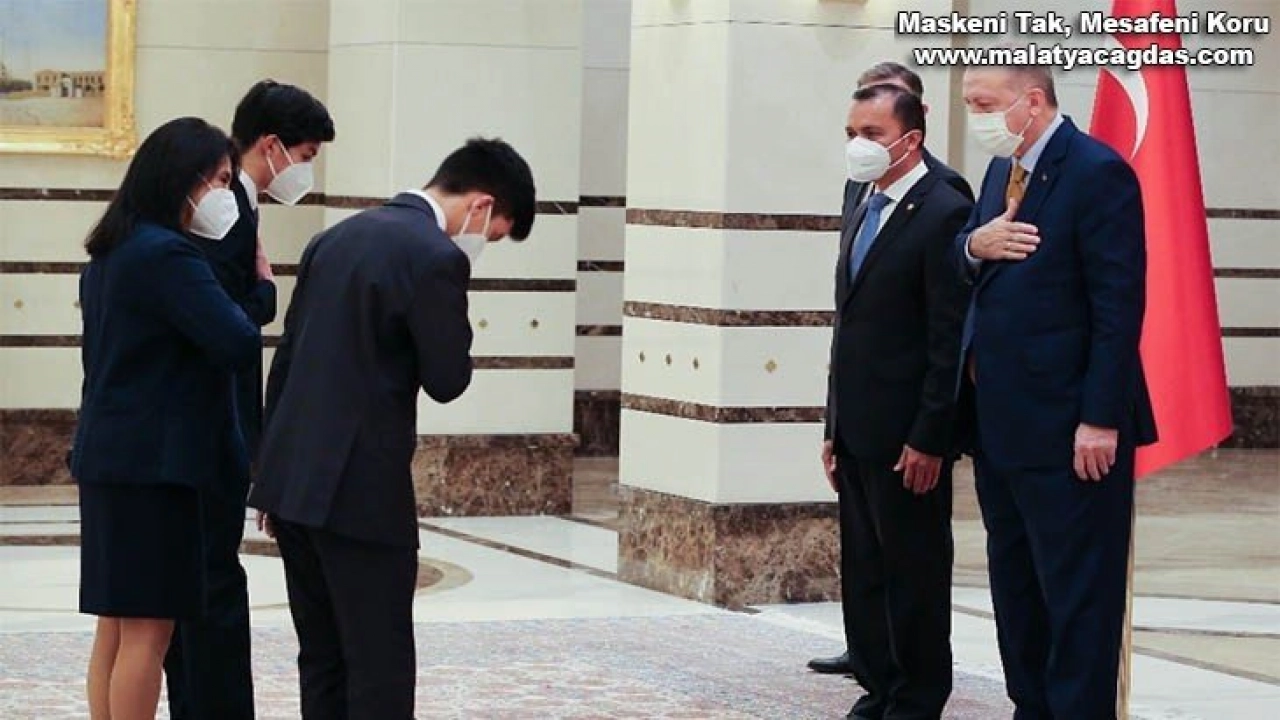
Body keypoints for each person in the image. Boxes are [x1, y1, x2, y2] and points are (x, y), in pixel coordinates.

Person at [248, 137, 536, 719]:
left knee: (322, 657)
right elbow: (447, 378)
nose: (482, 244)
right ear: (482, 204)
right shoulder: (436, 257)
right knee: (379, 664)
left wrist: (269, 478)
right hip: (362, 494)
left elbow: (288, 361)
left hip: (295, 488)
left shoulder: (333, 238)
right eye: (494, 233)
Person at [956, 56, 1156, 719]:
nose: (976, 117)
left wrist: (1100, 417)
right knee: (1017, 591)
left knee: (1076, 598)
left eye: (985, 104)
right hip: (1001, 426)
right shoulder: (999, 171)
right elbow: (973, 259)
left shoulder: (1097, 173)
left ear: (1033, 101)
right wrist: (973, 246)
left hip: (1071, 431)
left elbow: (1117, 308)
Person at [70, 116, 262, 720]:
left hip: (109, 458)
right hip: (157, 467)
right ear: (184, 177)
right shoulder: (168, 254)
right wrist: (258, 289)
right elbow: (237, 340)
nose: (227, 195)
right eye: (221, 180)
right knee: (150, 633)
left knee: (115, 626)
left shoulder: (109, 254)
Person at [164, 79, 335, 720]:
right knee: (211, 582)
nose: (306, 171)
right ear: (271, 145)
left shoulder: (232, 203)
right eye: (306, 155)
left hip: (211, 421)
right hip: (215, 422)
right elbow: (234, 315)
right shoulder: (229, 206)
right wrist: (266, 294)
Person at [809, 60, 974, 680]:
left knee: (913, 575)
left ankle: (914, 695)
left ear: (911, 137)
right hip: (857, 427)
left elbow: (946, 337)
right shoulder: (861, 195)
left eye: (872, 134)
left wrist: (931, 435)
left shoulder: (944, 204)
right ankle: (876, 683)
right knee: (865, 568)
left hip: (908, 436)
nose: (859, 145)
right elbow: (849, 318)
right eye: (852, 132)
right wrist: (833, 424)